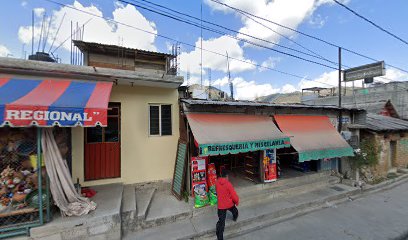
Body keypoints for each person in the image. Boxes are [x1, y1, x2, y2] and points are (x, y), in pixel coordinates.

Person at [215, 170, 239, 240]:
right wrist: (236, 202)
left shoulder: (216, 182)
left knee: (221, 222)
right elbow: (234, 196)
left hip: (221, 206)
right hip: (229, 204)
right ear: (227, 176)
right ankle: (235, 217)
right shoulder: (228, 184)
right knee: (234, 210)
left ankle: (220, 237)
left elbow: (216, 191)